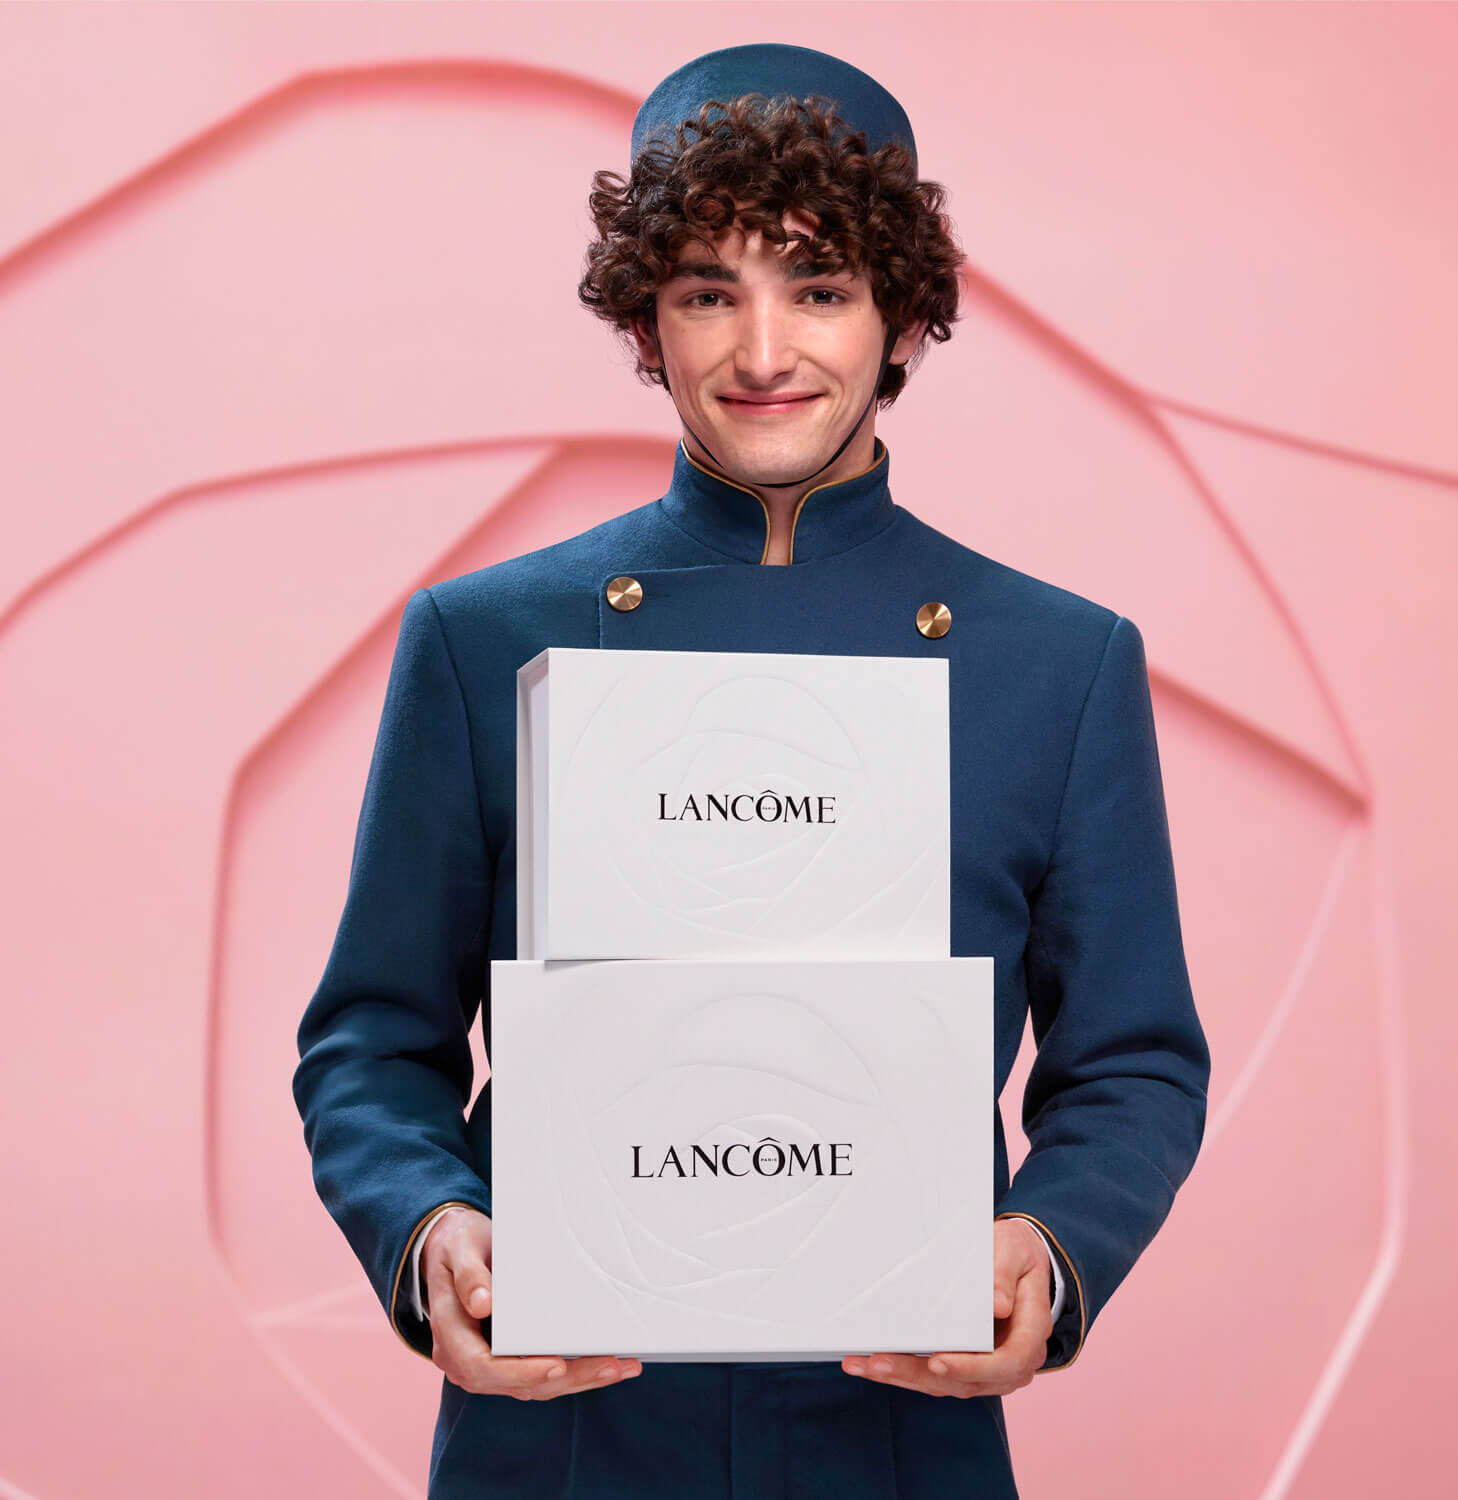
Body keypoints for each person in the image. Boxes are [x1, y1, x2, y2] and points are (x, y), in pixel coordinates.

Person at [292, 42, 1212, 1500]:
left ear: (905, 317)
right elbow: (371, 1040)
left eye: (821, 287)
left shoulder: (1063, 662)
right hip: (565, 1431)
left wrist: (1052, 1244)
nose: (764, 352)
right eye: (709, 291)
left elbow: (1133, 1059)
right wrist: (427, 1225)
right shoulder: (478, 640)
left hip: (900, 1433)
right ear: (644, 325)